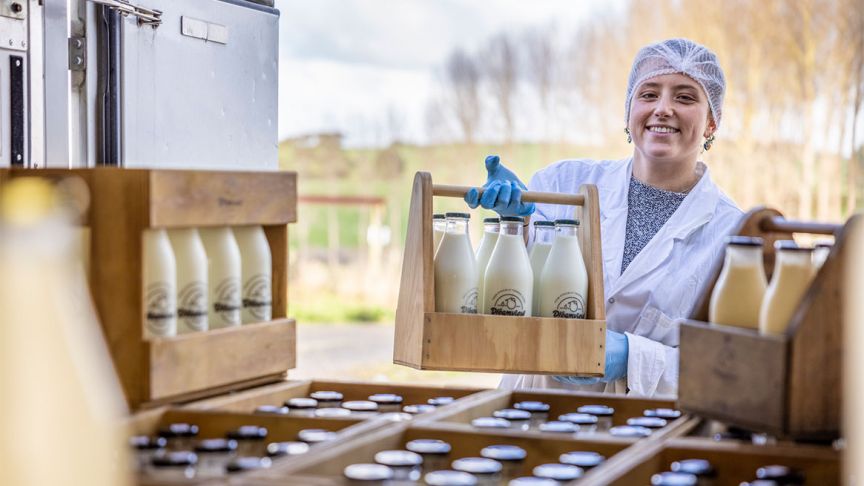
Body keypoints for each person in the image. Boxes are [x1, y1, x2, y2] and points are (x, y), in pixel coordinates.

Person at [465, 38, 742, 396]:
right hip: (531, 409)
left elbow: (732, 370)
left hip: (642, 433)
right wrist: (517, 226)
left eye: (685, 97)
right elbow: (505, 296)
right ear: (628, 113)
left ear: (711, 123)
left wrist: (632, 357)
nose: (663, 108)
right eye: (648, 94)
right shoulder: (561, 184)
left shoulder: (732, 232)